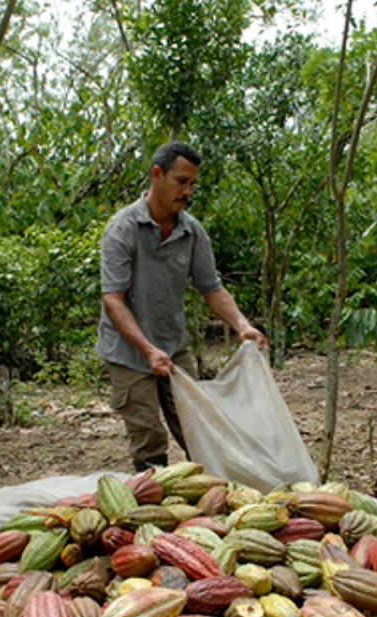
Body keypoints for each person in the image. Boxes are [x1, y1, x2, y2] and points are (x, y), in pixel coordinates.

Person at [97, 141, 267, 472]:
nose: (188, 191)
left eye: (192, 184)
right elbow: (112, 300)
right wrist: (147, 350)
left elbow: (212, 288)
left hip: (172, 346)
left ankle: (212, 498)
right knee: (148, 434)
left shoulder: (192, 232)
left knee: (196, 426)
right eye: (181, 181)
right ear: (156, 175)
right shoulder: (122, 229)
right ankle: (156, 500)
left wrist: (242, 325)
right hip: (128, 352)